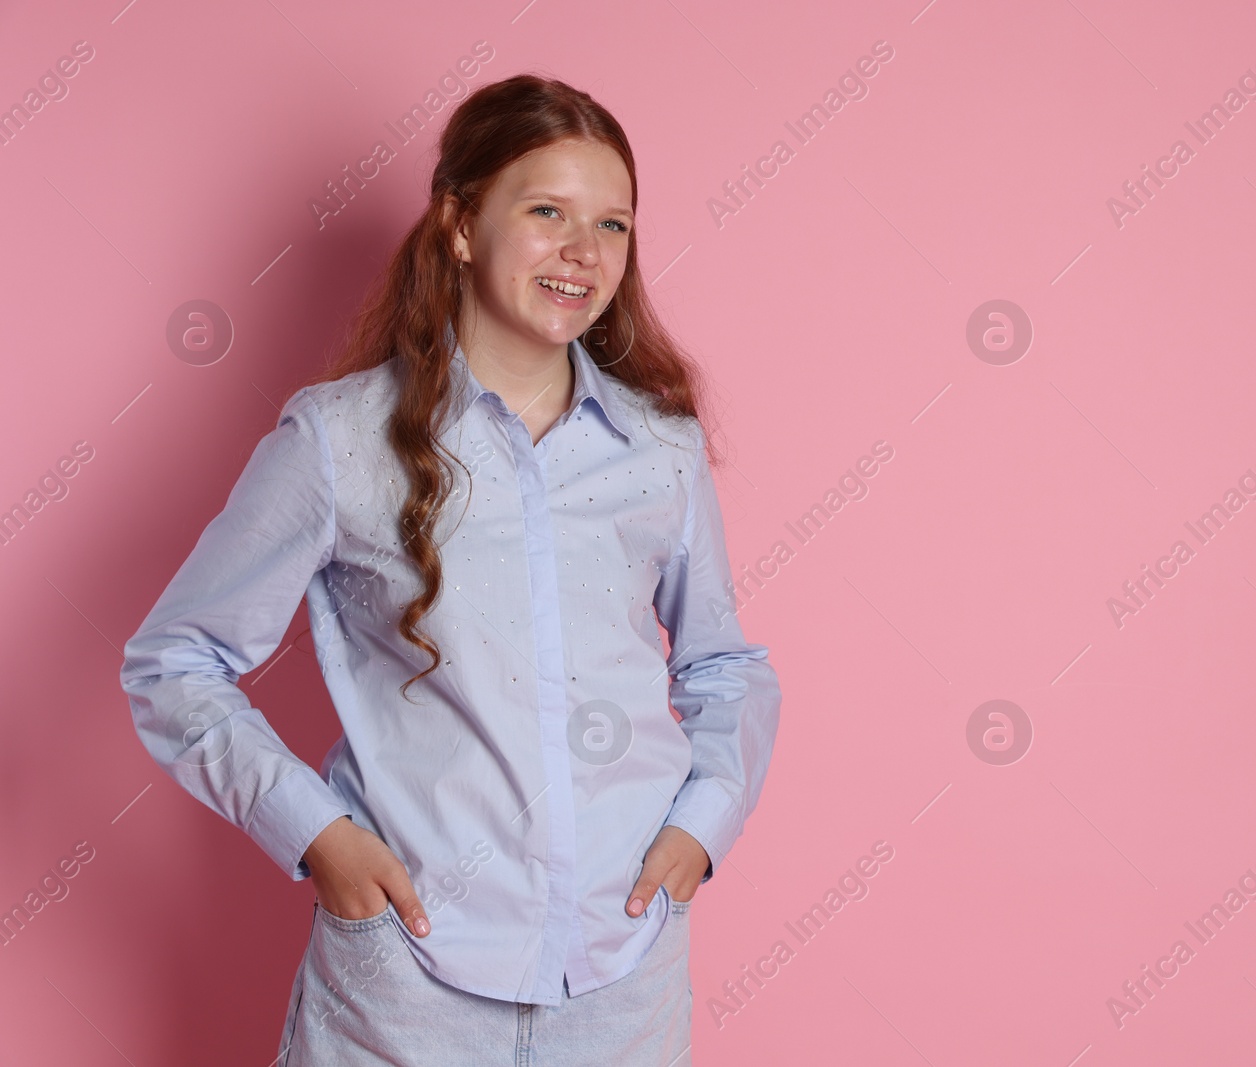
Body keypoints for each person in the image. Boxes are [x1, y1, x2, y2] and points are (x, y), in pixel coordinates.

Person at [118, 73, 781, 1066]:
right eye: (546, 210)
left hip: (622, 972)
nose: (583, 251)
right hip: (406, 974)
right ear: (461, 224)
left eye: (612, 223)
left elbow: (726, 667)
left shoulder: (660, 447)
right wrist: (321, 834)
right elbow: (175, 660)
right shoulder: (339, 440)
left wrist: (700, 825)